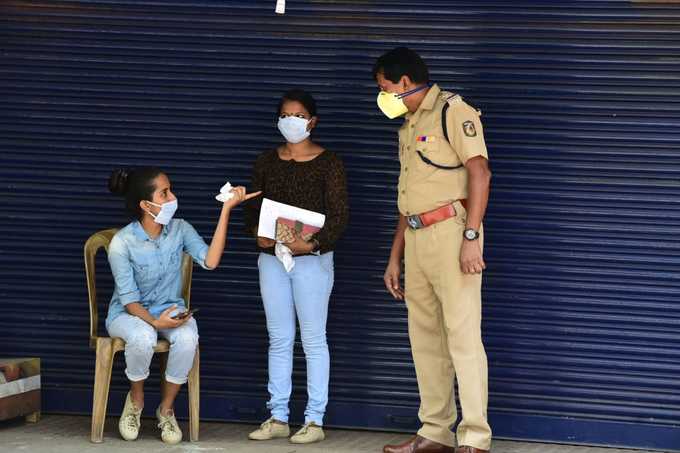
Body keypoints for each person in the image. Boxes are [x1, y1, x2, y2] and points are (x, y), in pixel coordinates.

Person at [374, 47, 493, 453]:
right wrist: (395, 256)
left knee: (462, 337)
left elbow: (480, 172)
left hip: (451, 233)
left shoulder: (453, 111)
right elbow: (409, 197)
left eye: (385, 87)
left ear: (405, 82)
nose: (383, 95)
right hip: (416, 237)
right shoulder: (409, 124)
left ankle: (474, 437)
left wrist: (471, 237)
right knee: (424, 339)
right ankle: (435, 432)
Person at [106, 167, 259, 444]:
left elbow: (210, 261)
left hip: (169, 307)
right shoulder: (122, 242)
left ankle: (166, 409)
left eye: (171, 189)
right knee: (143, 336)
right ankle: (136, 400)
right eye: (165, 193)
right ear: (145, 205)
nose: (173, 197)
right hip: (128, 313)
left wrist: (226, 211)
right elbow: (129, 300)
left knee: (188, 337)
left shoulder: (181, 229)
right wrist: (155, 322)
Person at [244, 89, 349, 444]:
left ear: (312, 121)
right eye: (286, 115)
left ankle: (314, 420)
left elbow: (338, 217)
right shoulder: (266, 161)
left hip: (313, 261)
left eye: (300, 115)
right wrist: (258, 236)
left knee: (314, 340)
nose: (292, 121)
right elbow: (253, 210)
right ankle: (278, 416)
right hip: (272, 260)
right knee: (279, 338)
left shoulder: (329, 162)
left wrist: (314, 243)